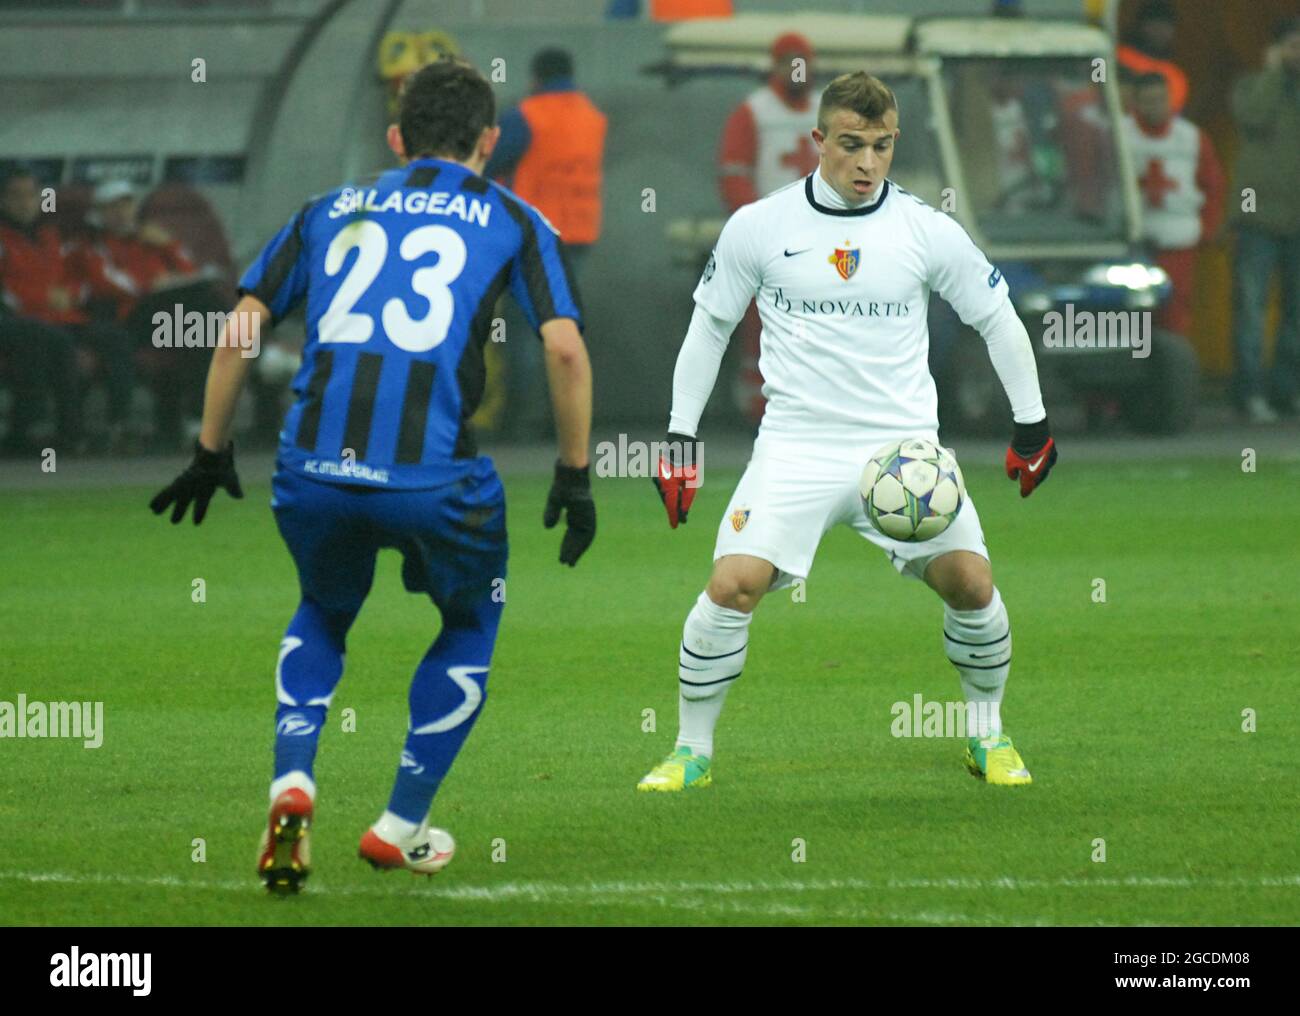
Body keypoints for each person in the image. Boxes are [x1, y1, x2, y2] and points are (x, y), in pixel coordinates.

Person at [148, 58, 596, 892]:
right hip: (433, 480)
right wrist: (575, 476)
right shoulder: (512, 217)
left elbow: (240, 328)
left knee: (323, 607)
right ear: (490, 142)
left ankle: (293, 778)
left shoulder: (328, 208)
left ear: (396, 139)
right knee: (470, 620)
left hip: (310, 467)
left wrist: (210, 450)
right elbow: (564, 347)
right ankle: (401, 825)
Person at [640, 72, 1056, 793]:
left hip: (904, 454)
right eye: (852, 145)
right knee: (732, 585)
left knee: (973, 584)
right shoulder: (760, 226)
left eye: (883, 146)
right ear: (818, 141)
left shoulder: (925, 228)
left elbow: (996, 317)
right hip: (796, 445)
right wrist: (679, 440)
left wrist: (1032, 424)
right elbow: (708, 327)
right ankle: (690, 751)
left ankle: (987, 737)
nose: (867, 163)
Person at [486, 47, 606, 440]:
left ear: (536, 76)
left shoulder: (525, 115)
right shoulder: (592, 116)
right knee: (564, 328)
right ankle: (567, 419)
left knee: (523, 330)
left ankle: (519, 422)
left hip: (534, 235)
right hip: (580, 234)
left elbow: (488, 160)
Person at [75, 178, 223, 449]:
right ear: (99, 213)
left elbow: (190, 275)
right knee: (211, 318)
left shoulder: (151, 240)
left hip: (168, 318)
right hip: (132, 318)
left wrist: (167, 244)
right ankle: (198, 417)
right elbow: (105, 282)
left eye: (126, 204)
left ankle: (194, 419)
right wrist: (151, 286)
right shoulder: (93, 245)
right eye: (111, 207)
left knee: (208, 325)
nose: (121, 213)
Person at [717, 31, 819, 425]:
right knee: (762, 328)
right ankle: (759, 410)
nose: (799, 70)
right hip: (770, 239)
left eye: (804, 61)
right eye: (791, 61)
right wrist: (759, 222)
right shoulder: (754, 112)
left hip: (821, 237)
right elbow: (733, 173)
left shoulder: (827, 109)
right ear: (776, 66)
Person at [0, 167, 133, 455]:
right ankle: (70, 433)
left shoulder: (51, 235)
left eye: (30, 195)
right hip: (24, 319)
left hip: (65, 316)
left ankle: (118, 426)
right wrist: (43, 298)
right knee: (58, 342)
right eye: (15, 196)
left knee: (115, 337)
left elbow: (78, 278)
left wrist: (70, 294)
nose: (24, 202)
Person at [1230, 15, 1300, 422]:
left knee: (1295, 313)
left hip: (1297, 221)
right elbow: (1253, 117)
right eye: (1291, 46)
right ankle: (1250, 392)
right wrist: (1274, 74)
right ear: (1275, 51)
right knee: (1252, 310)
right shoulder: (1252, 86)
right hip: (1258, 220)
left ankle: (1286, 390)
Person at [1123, 73, 1224, 338]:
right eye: (1148, 100)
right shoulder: (1120, 135)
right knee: (1131, 314)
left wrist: (1206, 229)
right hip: (1135, 242)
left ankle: (1173, 372)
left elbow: (1213, 185)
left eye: (1160, 99)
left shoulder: (1192, 137)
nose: (1155, 106)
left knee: (1175, 313)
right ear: (1134, 102)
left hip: (1179, 243)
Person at [1117, 0, 1189, 115]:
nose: (1160, 31)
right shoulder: (1118, 57)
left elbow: (1176, 118)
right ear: (1141, 25)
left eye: (1166, 26)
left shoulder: (1176, 76)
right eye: (1154, 24)